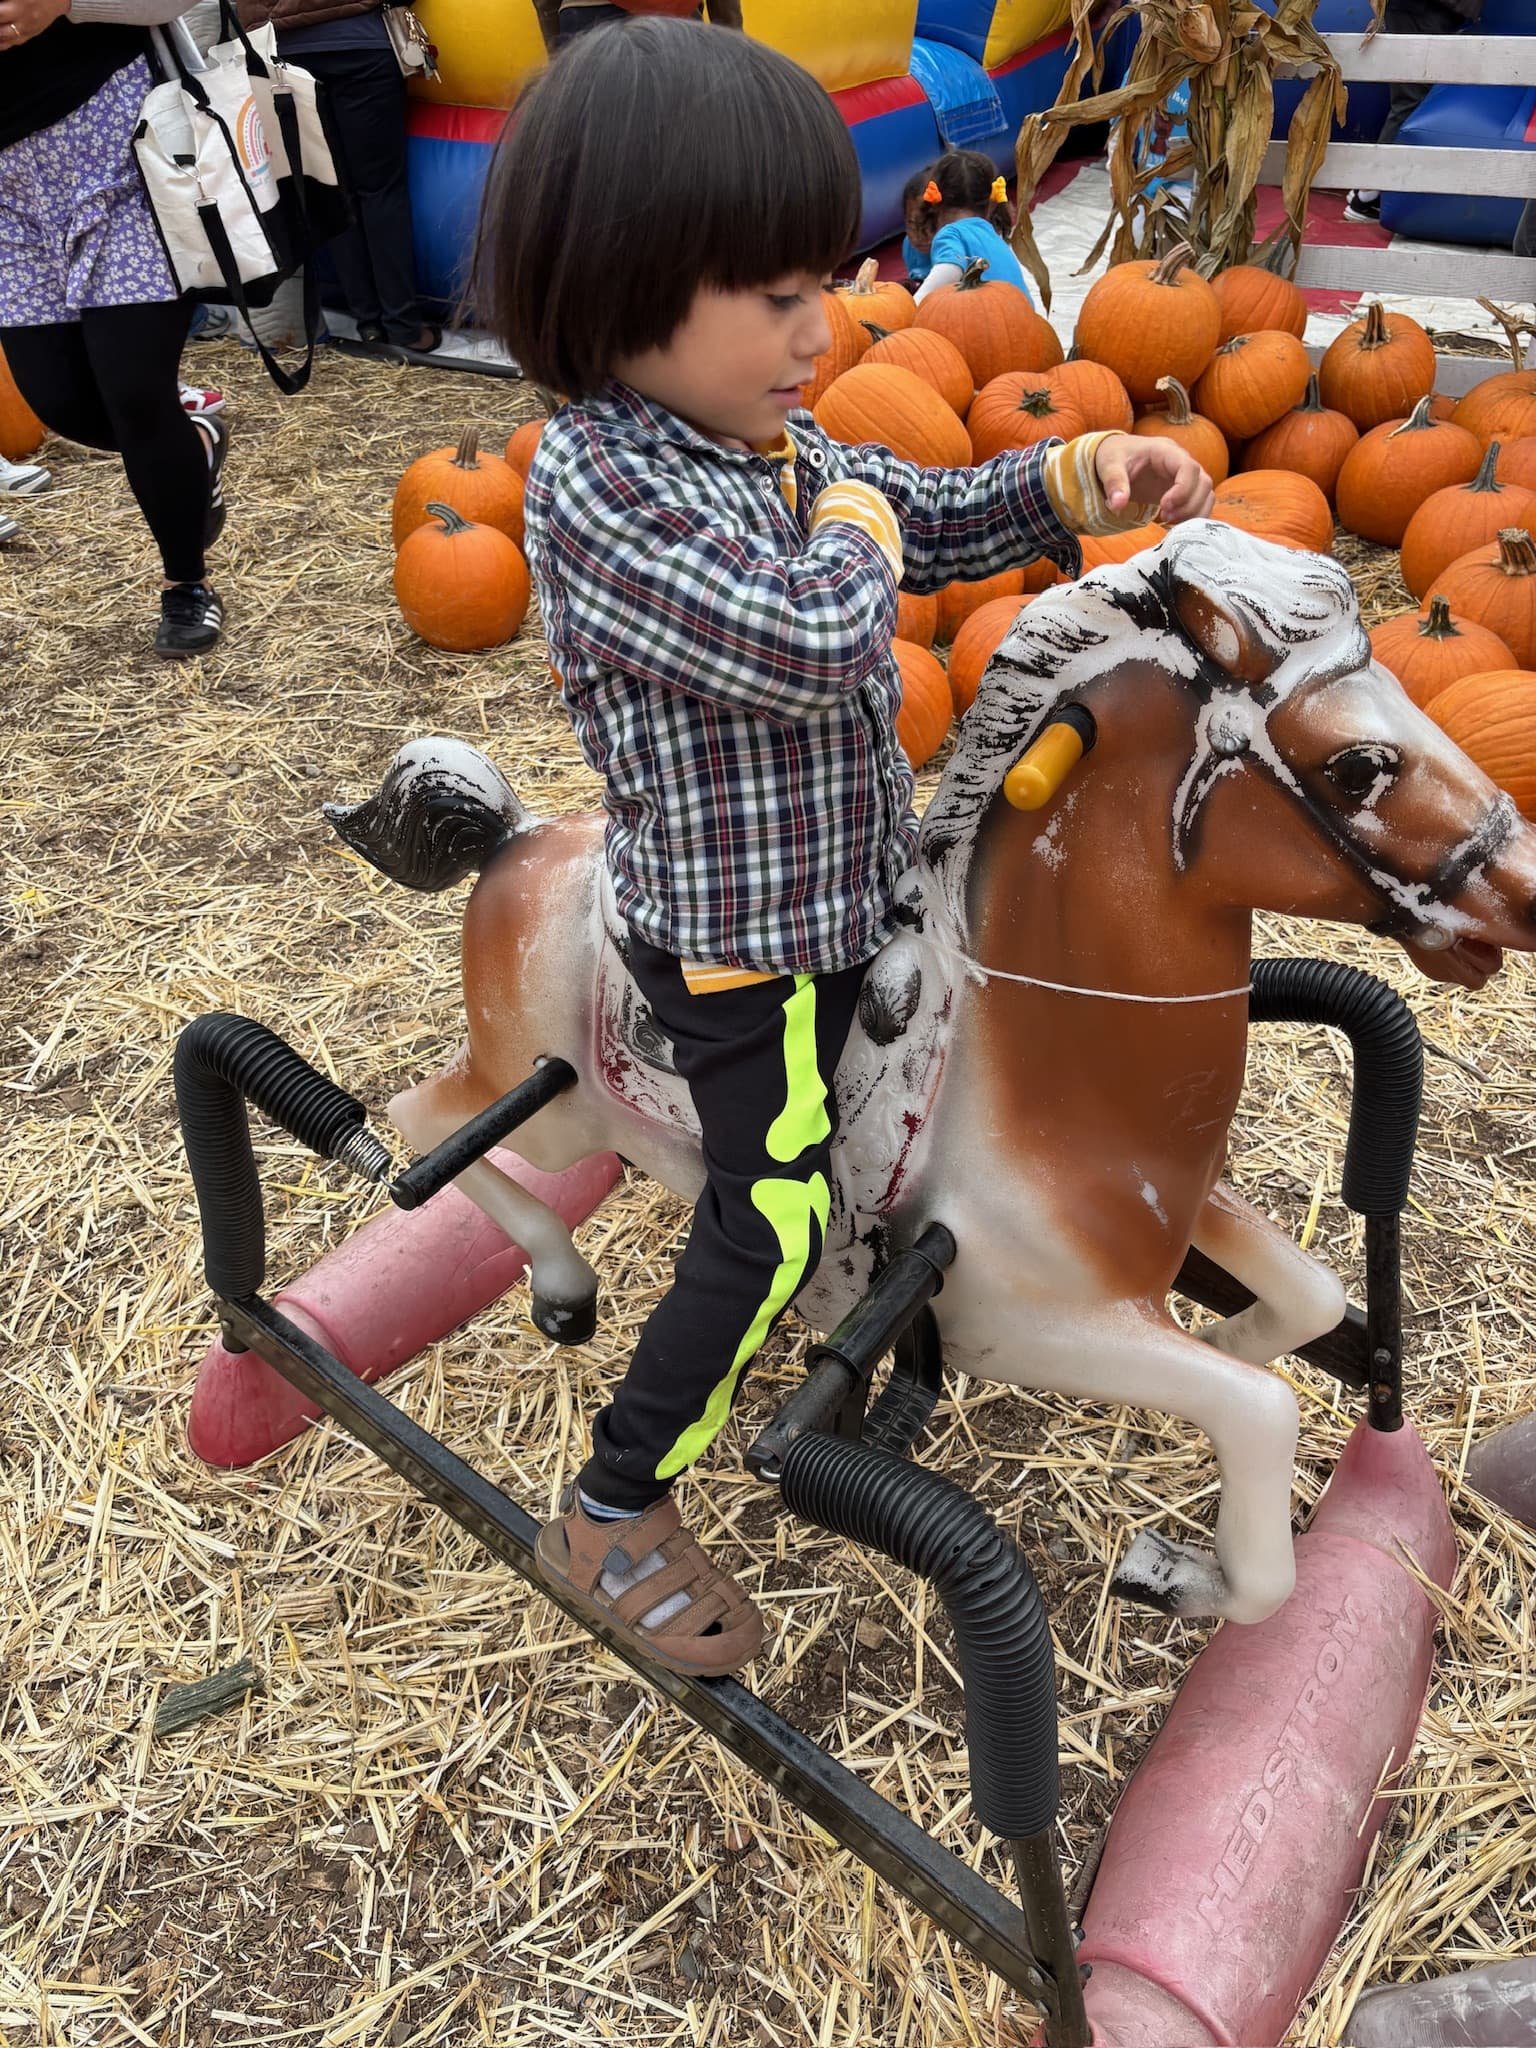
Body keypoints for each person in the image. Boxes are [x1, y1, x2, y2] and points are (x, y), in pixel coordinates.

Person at [474, 19, 1214, 1677]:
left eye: (828, 281)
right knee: (774, 1218)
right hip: (741, 943)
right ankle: (613, 1500)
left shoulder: (766, 436)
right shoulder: (599, 490)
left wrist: (1074, 476)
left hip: (856, 884)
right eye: (779, 295)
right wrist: (864, 522)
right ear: (622, 283)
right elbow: (817, 634)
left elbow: (916, 507)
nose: (825, 328)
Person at [0, 0, 228, 655]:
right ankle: (196, 437)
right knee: (60, 402)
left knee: (134, 393)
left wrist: (65, 3)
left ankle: (186, 583)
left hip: (119, 147)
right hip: (9, 193)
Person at [236, 0, 440, 355]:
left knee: (331, 188)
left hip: (285, 53)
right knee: (380, 190)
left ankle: (367, 322)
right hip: (362, 43)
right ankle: (403, 326)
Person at [1345, 0, 1483, 224]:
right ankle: (1368, 194)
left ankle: (1368, 188)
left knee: (1411, 98)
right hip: (1424, 10)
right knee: (1413, 100)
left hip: (1423, 10)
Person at [911, 147, 1032, 302]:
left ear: (934, 202)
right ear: (992, 203)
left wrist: (913, 306)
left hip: (991, 316)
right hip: (1026, 314)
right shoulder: (991, 236)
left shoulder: (952, 234)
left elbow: (949, 269)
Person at [533, 0, 739, 52]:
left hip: (587, 17)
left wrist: (557, 53)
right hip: (676, 19)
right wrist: (732, 42)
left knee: (591, 135)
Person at [901, 166, 935, 288]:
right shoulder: (909, 246)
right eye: (912, 224)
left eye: (930, 225)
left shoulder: (957, 251)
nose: (920, 236)